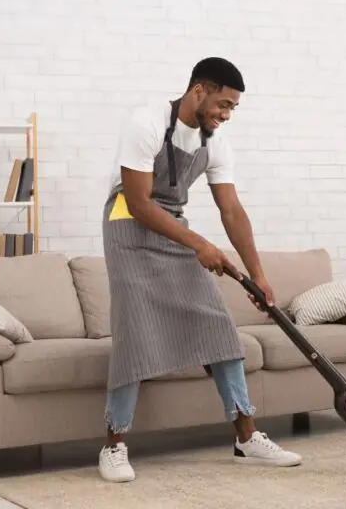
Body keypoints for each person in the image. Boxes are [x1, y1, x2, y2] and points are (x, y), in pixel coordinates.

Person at [98, 57, 302, 483]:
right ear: (198, 91)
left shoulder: (215, 142)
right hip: (128, 230)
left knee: (219, 329)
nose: (225, 115)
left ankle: (246, 438)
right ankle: (114, 445)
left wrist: (258, 274)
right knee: (135, 334)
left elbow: (231, 209)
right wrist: (200, 244)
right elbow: (137, 203)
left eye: (232, 108)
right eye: (223, 104)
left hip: (174, 229)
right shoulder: (146, 122)